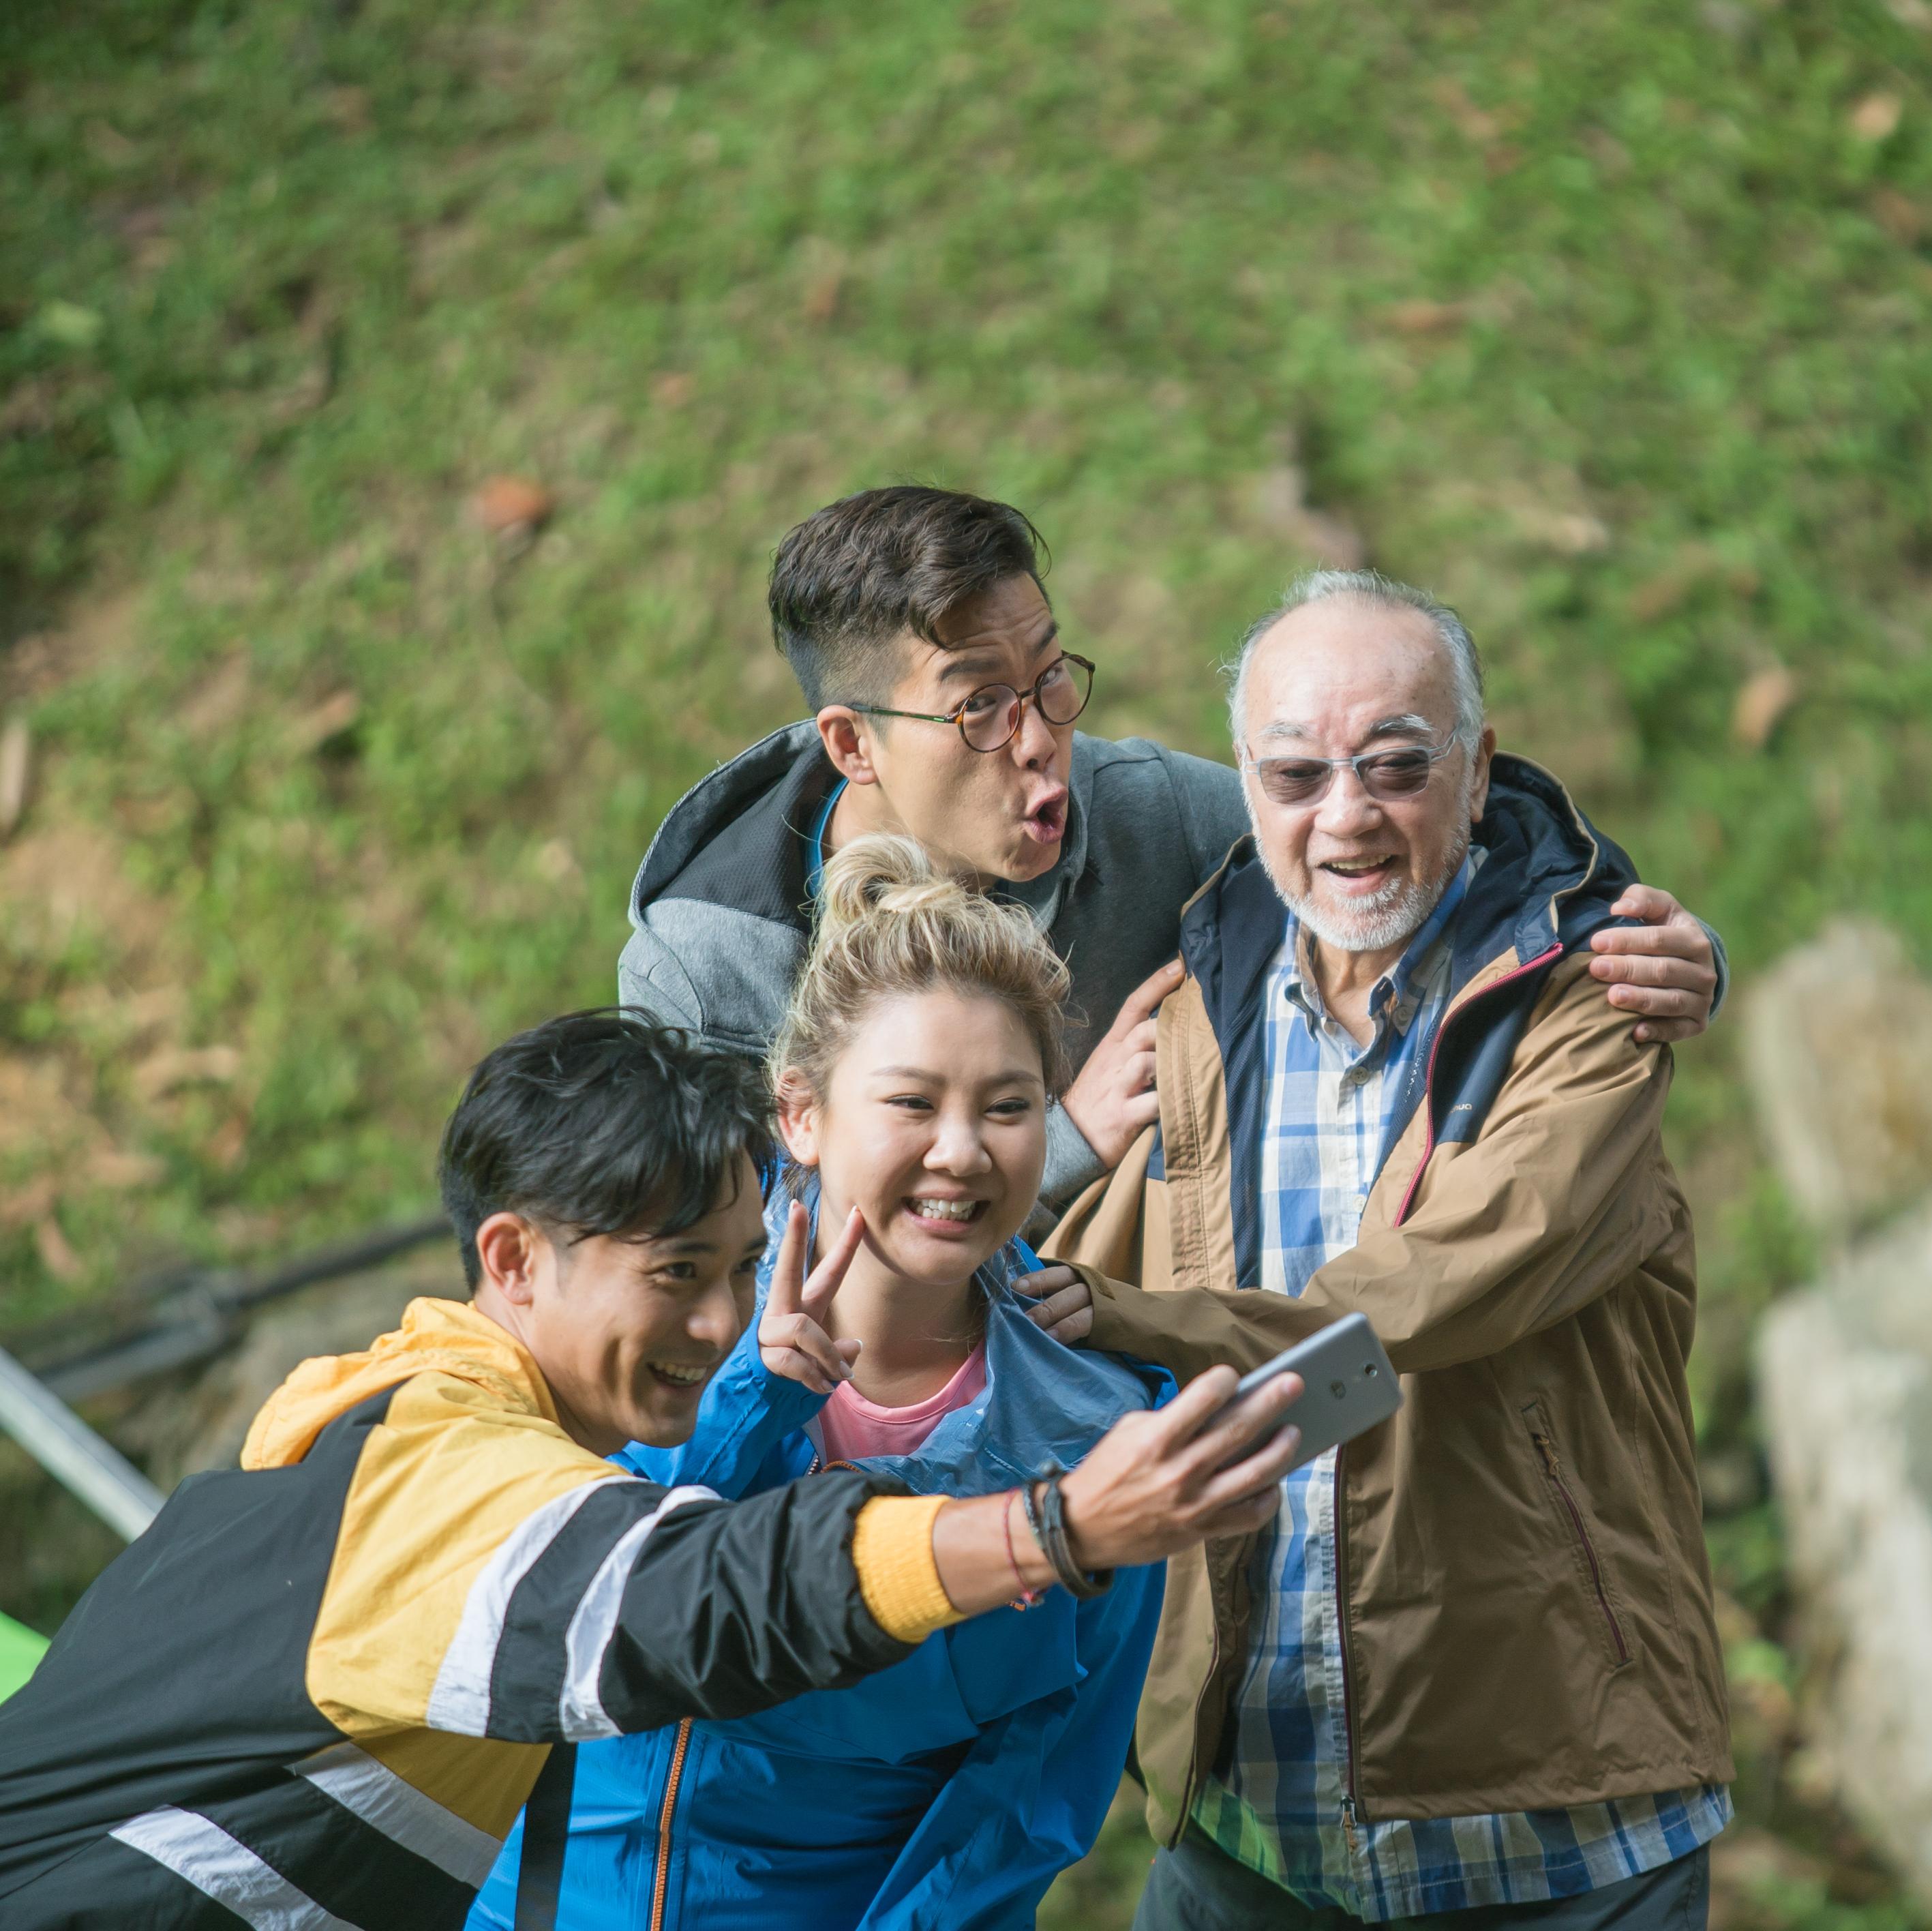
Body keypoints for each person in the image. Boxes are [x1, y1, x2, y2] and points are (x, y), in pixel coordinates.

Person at [0, 1010, 1302, 1931]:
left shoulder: (393, 1411)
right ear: (512, 1259)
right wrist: (1055, 1529)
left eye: (742, 1267)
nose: (722, 1324)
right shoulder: (445, 1490)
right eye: (677, 1274)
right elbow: (712, 1594)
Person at [1040, 571, 1733, 1928]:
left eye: (1397, 766)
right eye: (1295, 774)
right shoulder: (1187, 1017)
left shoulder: (1585, 1002)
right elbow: (1020, 1304)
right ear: (1244, 788)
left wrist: (1151, 1325)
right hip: (1252, 1825)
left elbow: (1437, 1292)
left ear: (1475, 773)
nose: (1346, 815)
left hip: (1554, 1818)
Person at [616, 487, 1727, 1236]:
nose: (1043, 735)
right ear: (853, 745)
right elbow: (733, 1270)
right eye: (981, 709)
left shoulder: (1147, 813)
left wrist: (1632, 937)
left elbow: (1397, 821)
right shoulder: (707, 967)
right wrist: (1059, 1145)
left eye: (1050, 676)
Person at [469, 841, 1170, 1931]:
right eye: (911, 1102)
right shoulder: (644, 1315)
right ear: (800, 1114)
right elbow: (584, 1588)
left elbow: (1029, 1799)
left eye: (1007, 1106)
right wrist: (758, 1394)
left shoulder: (1096, 1432)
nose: (961, 1153)